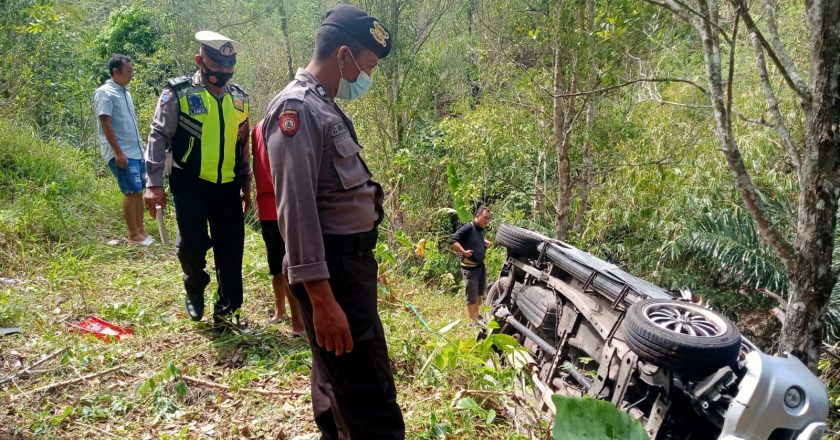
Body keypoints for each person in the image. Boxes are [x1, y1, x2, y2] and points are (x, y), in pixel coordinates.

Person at [263, 4, 405, 438]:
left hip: (347, 268)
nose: (368, 77)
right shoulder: (298, 110)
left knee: (335, 384)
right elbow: (297, 211)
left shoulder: (322, 106)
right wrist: (323, 301)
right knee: (369, 398)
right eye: (368, 66)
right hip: (334, 275)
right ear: (344, 56)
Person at [144, 31, 251, 331]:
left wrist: (246, 184)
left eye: (229, 68)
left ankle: (228, 311)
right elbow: (158, 135)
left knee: (231, 251)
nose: (223, 74)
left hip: (227, 185)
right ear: (199, 61)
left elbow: (242, 144)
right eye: (216, 67)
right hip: (189, 183)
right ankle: (195, 283)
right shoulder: (179, 93)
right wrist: (153, 184)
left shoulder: (239, 99)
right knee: (191, 245)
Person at [251, 118, 304, 335]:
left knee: (276, 262)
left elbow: (254, 165)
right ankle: (298, 323)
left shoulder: (257, 127)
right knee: (289, 264)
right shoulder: (290, 122)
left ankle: (280, 311)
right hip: (286, 204)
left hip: (266, 205)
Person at [93, 54, 151, 245]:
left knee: (138, 191)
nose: (132, 74)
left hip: (136, 150)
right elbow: (105, 122)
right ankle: (133, 234)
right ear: (116, 71)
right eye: (129, 71)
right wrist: (118, 152)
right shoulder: (105, 92)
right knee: (131, 191)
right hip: (122, 151)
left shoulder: (125, 93)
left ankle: (141, 231)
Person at [450, 207, 492, 325]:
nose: (487, 220)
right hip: (470, 269)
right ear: (477, 216)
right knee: (471, 295)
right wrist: (463, 252)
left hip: (480, 266)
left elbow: (475, 240)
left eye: (488, 218)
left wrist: (484, 242)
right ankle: (473, 321)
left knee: (479, 293)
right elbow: (453, 241)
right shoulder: (468, 227)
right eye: (485, 217)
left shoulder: (480, 229)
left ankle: (477, 316)